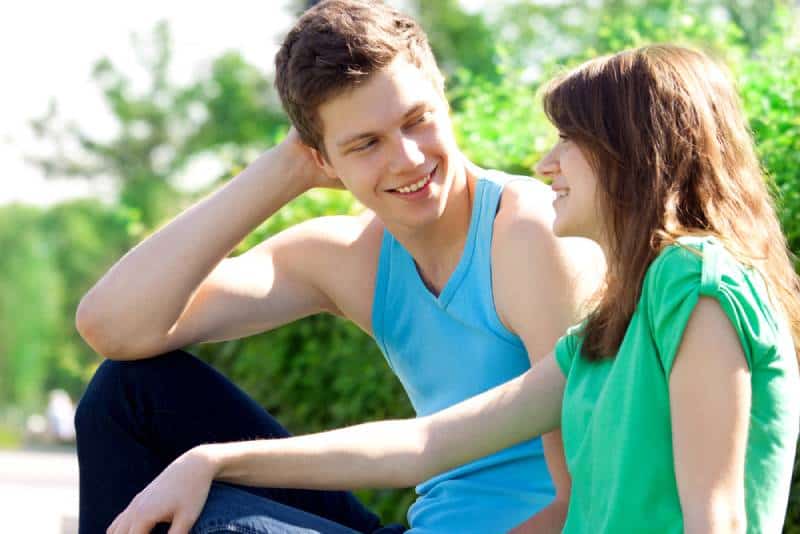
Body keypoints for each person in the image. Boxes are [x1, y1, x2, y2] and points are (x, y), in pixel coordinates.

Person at [106, 44, 800, 534]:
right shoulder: (616, 321)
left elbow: (715, 520)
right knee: (136, 410)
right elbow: (427, 445)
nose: (543, 160)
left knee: (226, 529)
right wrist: (210, 459)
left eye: (568, 138)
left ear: (634, 152)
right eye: (364, 142)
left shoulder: (692, 282)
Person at [74, 1, 603, 533]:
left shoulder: (529, 235)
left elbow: (588, 495)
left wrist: (211, 464)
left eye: (417, 121)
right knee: (126, 393)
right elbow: (113, 326)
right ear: (322, 159)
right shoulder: (350, 258)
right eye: (366, 143)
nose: (408, 159)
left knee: (226, 527)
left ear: (443, 95)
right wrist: (284, 170)